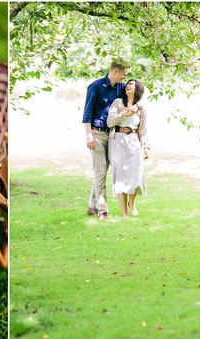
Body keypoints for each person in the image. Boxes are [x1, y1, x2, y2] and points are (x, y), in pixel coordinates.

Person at [83, 58, 140, 221]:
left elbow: (135, 96)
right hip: (97, 133)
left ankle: (91, 206)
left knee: (102, 171)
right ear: (115, 71)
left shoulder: (121, 88)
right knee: (100, 172)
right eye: (124, 74)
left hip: (114, 136)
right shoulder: (95, 86)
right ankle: (103, 211)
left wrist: (136, 107)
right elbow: (87, 113)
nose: (125, 77)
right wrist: (89, 135)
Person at [107, 79, 150, 218]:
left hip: (133, 141)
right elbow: (109, 122)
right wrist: (122, 114)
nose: (127, 86)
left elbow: (143, 131)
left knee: (134, 174)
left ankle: (132, 203)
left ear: (137, 88)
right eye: (127, 84)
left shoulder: (141, 109)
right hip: (117, 141)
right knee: (119, 176)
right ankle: (124, 213)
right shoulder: (117, 103)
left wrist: (146, 147)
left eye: (131, 84)